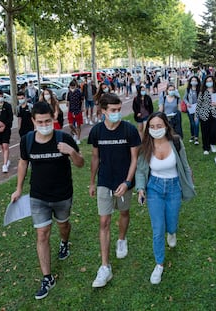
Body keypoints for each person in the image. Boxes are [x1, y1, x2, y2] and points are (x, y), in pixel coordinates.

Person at [11, 102, 84, 300]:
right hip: (38, 196)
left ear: (53, 119)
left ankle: (64, 243)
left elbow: (80, 163)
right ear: (33, 121)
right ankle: (47, 277)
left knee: (63, 226)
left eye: (48, 120)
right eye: (40, 121)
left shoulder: (64, 138)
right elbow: (23, 162)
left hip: (62, 195)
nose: (45, 124)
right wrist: (18, 189)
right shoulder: (27, 140)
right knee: (42, 234)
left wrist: (71, 151)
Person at [87, 93, 141, 288]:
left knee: (124, 212)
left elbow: (135, 158)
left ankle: (121, 238)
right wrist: (92, 182)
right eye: (113, 111)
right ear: (103, 111)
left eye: (119, 110)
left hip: (124, 181)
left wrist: (127, 182)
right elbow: (95, 158)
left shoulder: (130, 130)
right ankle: (104, 267)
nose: (117, 113)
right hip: (104, 181)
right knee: (104, 221)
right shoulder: (96, 132)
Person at [135, 111, 195, 284]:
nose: (155, 129)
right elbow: (140, 170)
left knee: (171, 222)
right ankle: (159, 264)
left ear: (166, 126)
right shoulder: (146, 145)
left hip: (174, 187)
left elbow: (184, 164)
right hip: (154, 188)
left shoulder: (176, 142)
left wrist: (189, 181)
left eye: (159, 126)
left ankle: (172, 232)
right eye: (152, 127)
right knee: (157, 228)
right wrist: (141, 189)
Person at [196, 75, 216, 155]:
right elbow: (199, 104)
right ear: (205, 82)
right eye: (207, 81)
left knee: (214, 131)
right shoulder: (202, 91)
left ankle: (213, 144)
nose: (209, 83)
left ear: (213, 82)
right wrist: (196, 115)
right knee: (205, 131)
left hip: (215, 114)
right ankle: (206, 147)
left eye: (210, 81)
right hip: (204, 114)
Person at [183, 75, 201, 145]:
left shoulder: (200, 89)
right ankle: (192, 135)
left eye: (195, 80)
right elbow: (184, 98)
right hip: (190, 109)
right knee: (192, 123)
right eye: (192, 80)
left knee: (196, 123)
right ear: (190, 82)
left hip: (197, 109)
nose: (194, 82)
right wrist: (187, 103)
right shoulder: (187, 89)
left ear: (197, 82)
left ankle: (196, 138)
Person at [66, 80, 83, 144]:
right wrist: (68, 109)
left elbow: (82, 100)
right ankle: (75, 133)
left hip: (78, 110)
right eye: (71, 87)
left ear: (75, 86)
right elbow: (68, 101)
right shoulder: (69, 92)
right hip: (71, 110)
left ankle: (78, 139)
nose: (72, 88)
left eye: (73, 87)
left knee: (78, 125)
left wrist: (82, 108)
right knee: (70, 125)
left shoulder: (79, 92)